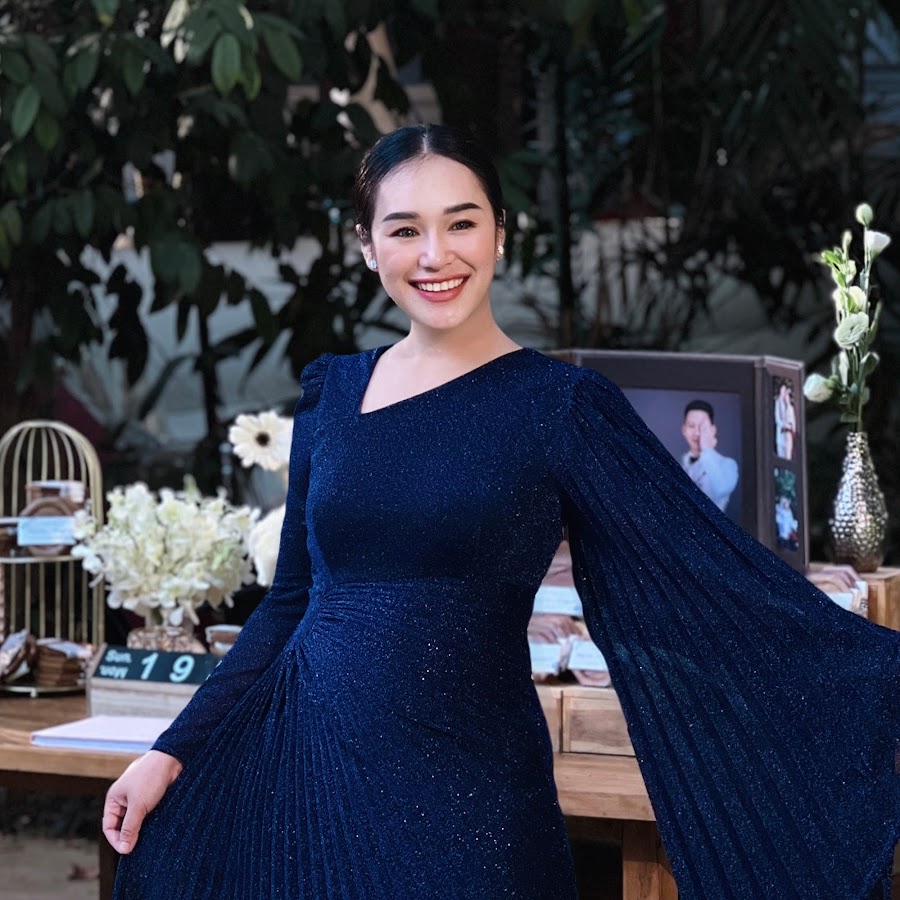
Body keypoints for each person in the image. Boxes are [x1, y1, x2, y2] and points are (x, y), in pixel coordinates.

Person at [104, 125, 900, 900]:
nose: (435, 255)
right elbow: (289, 603)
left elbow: (708, 576)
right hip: (310, 772)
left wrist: (879, 675)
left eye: (461, 223)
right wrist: (171, 751)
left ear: (500, 235)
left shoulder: (561, 407)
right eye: (405, 229)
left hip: (472, 795)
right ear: (367, 246)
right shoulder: (333, 395)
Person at [679, 399, 739, 513]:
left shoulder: (727, 464)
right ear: (684, 430)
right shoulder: (677, 463)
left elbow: (720, 490)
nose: (697, 433)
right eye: (691, 426)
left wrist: (707, 450)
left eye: (703, 427)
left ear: (712, 430)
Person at [775, 380, 797, 460]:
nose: (783, 392)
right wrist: (785, 425)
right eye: (782, 390)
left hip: (787, 435)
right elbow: (778, 419)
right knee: (781, 454)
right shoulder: (778, 402)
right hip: (781, 433)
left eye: (785, 391)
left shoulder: (787, 405)